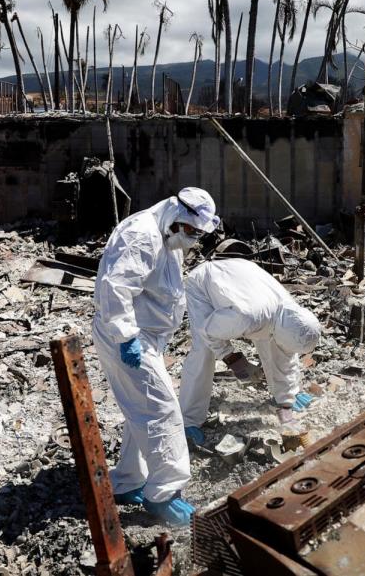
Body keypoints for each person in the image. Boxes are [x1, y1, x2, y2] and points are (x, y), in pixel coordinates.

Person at [92, 187, 220, 526]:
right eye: (192, 231)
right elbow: (115, 286)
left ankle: (127, 482)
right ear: (178, 216)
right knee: (162, 410)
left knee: (141, 411)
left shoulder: (168, 233)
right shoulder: (141, 235)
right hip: (129, 337)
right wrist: (126, 337)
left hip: (147, 336)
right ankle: (164, 494)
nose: (193, 240)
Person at [179, 258, 321, 445]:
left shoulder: (291, 314)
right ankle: (187, 421)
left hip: (242, 275)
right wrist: (233, 359)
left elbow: (284, 353)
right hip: (203, 284)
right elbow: (208, 331)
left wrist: (287, 399)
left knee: (274, 343)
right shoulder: (247, 317)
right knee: (203, 351)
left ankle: (284, 397)